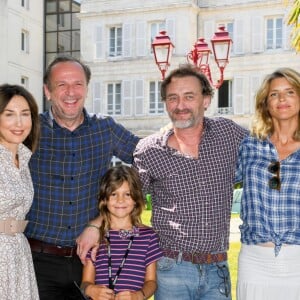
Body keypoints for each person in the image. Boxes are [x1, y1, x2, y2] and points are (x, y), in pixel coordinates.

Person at [24, 55, 140, 300]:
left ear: (87, 88)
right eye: (61, 85)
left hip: (92, 260)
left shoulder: (105, 128)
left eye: (78, 84)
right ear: (47, 90)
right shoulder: (30, 129)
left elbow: (150, 160)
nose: (70, 92)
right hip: (37, 263)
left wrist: (99, 221)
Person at [132, 64, 248, 300]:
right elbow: (127, 203)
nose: (180, 105)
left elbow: (267, 158)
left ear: (206, 100)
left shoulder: (228, 134)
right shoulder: (149, 150)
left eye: (189, 97)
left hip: (217, 268)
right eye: (173, 98)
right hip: (170, 269)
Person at [235, 68, 300, 300]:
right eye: (274, 94)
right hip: (254, 262)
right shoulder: (250, 145)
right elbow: (214, 178)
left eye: (290, 92)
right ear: (265, 103)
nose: (282, 99)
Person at [81, 165, 162, 300]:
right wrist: (91, 290)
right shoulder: (95, 236)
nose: (120, 200)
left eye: (127, 194)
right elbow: (85, 283)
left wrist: (138, 295)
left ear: (136, 199)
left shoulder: (149, 237)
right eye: (114, 194)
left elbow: (151, 282)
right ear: (104, 199)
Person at [0, 84, 40, 299]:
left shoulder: (23, 159)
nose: (19, 123)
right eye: (9, 114)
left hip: (18, 253)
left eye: (25, 114)